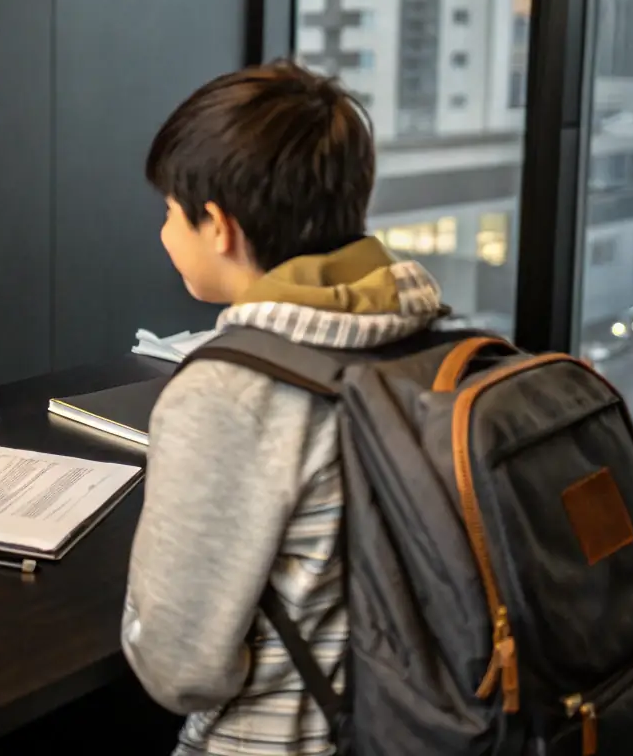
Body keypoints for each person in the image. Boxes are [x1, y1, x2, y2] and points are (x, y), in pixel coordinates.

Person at [121, 61, 447, 755]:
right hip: (440, 723)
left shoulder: (225, 395)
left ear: (218, 226)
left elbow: (180, 671)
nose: (162, 232)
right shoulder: (440, 343)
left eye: (169, 212)